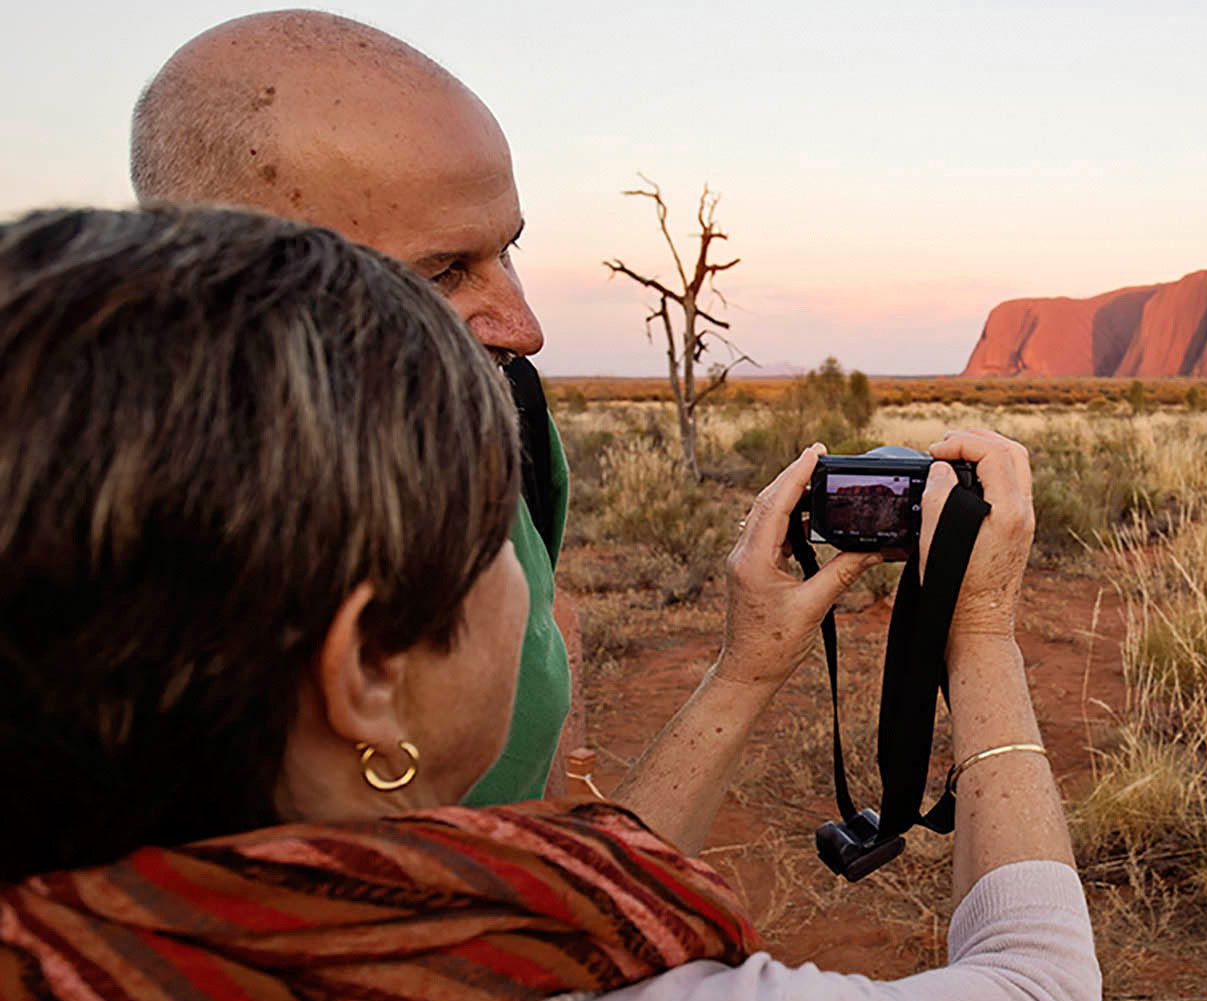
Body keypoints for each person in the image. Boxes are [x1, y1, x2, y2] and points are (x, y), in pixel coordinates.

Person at [0, 205, 1099, 1001]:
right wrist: (983, 628)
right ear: (370, 668)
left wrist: (745, 668)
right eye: (495, 539)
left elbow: (597, 915)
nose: (527, 579)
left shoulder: (68, 980)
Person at [128, 9, 878, 826]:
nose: (524, 330)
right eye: (447, 272)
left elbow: (544, 826)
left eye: (506, 248)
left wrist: (746, 667)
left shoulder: (501, 411)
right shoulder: (87, 586)